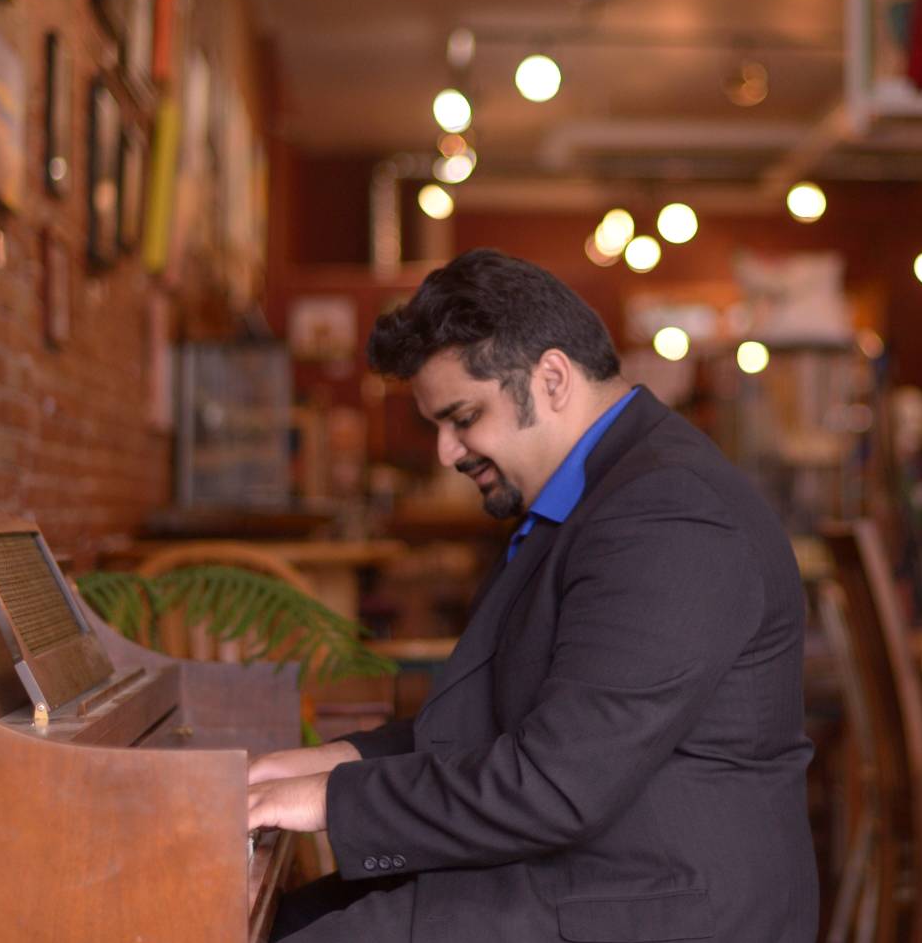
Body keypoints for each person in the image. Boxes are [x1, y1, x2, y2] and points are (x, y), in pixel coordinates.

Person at [246, 249, 818, 942]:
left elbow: (556, 783)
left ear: (550, 377)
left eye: (462, 417)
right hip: (587, 871)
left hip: (651, 902)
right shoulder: (592, 495)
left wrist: (325, 800)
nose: (446, 453)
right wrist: (311, 766)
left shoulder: (668, 513)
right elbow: (502, 728)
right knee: (286, 916)